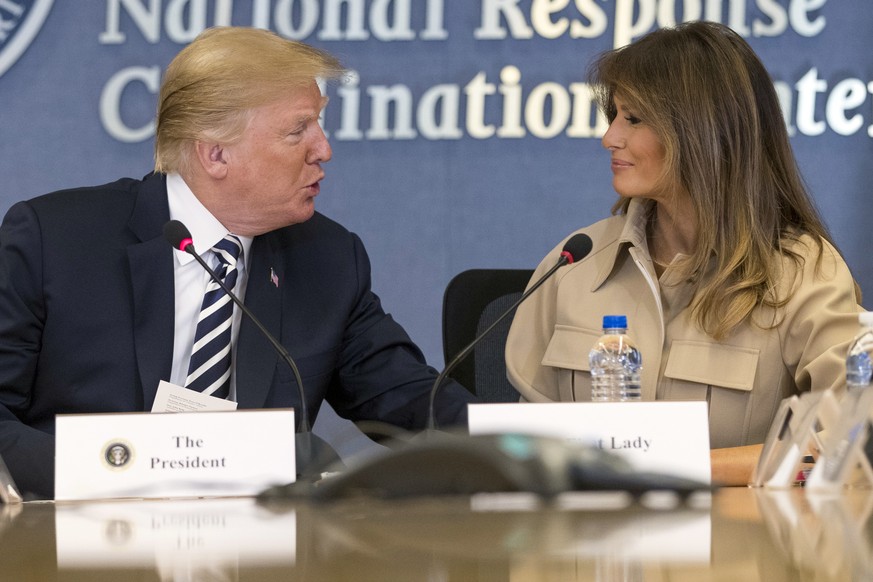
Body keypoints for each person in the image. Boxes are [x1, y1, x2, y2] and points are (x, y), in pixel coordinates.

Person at [0, 26, 475, 499]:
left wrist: (528, 443)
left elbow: (413, 400)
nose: (324, 149)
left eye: (320, 124)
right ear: (216, 154)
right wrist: (106, 476)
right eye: (298, 130)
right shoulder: (54, 240)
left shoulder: (326, 259)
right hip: (76, 542)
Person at [505, 21, 863, 486]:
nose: (609, 138)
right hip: (589, 552)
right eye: (613, 115)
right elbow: (522, 454)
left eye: (633, 119)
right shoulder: (574, 263)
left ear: (702, 131)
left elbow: (850, 440)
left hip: (743, 554)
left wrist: (675, 469)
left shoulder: (803, 274)